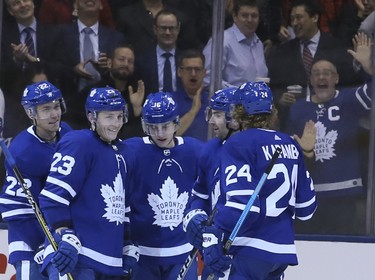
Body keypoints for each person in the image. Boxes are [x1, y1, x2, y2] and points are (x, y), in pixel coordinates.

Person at [201, 81, 317, 279]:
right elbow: (307, 209)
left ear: (238, 111)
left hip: (250, 248)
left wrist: (213, 235)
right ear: (271, 111)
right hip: (281, 252)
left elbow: (242, 204)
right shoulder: (290, 144)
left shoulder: (238, 143)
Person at [38, 87, 137, 279]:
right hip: (75, 257)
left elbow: (122, 206)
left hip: (109, 261)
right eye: (109, 117)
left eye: (119, 116)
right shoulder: (79, 143)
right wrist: (64, 234)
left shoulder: (125, 153)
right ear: (92, 117)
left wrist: (126, 244)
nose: (116, 123)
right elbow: (53, 198)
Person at [286, 32, 372, 235]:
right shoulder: (298, 109)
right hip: (309, 195)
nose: (322, 77)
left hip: (344, 193)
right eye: (316, 73)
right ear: (311, 80)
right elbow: (290, 150)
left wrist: (369, 69)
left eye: (327, 73)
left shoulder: (348, 100)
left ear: (337, 78)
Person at [120, 91, 203, 279]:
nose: (159, 133)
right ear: (144, 126)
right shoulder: (132, 150)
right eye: (152, 127)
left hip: (184, 253)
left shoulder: (195, 150)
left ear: (176, 123)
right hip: (142, 255)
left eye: (165, 126)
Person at [0, 81, 71, 280]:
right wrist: (38, 242)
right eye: (46, 109)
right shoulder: (22, 151)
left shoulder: (67, 133)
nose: (54, 114)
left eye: (56, 106)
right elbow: (13, 208)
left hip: (56, 236)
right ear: (31, 113)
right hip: (28, 243)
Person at [267, 0, 363, 131]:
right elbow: (272, 86)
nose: (294, 23)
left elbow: (348, 85)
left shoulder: (336, 48)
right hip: (295, 124)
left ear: (315, 17)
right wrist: (279, 98)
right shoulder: (282, 52)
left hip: (330, 123)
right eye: (292, 19)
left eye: (299, 17)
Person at [76, 44, 145, 138]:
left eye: (130, 61)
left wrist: (136, 111)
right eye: (121, 59)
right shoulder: (91, 93)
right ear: (109, 63)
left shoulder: (138, 93)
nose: (125, 64)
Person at [203, 0, 268, 88]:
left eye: (254, 16)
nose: (250, 20)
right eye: (244, 15)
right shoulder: (222, 41)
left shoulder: (258, 44)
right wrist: (239, 93)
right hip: (230, 100)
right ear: (235, 17)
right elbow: (208, 78)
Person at [135, 9, 182, 94]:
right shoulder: (141, 61)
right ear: (155, 29)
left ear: (178, 29)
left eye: (171, 28)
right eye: (163, 28)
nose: (167, 32)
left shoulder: (185, 59)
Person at [173, 49, 210, 141]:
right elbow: (167, 136)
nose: (193, 74)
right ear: (179, 72)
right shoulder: (168, 101)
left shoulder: (213, 101)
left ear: (204, 73)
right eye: (188, 69)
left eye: (197, 69)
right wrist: (193, 111)